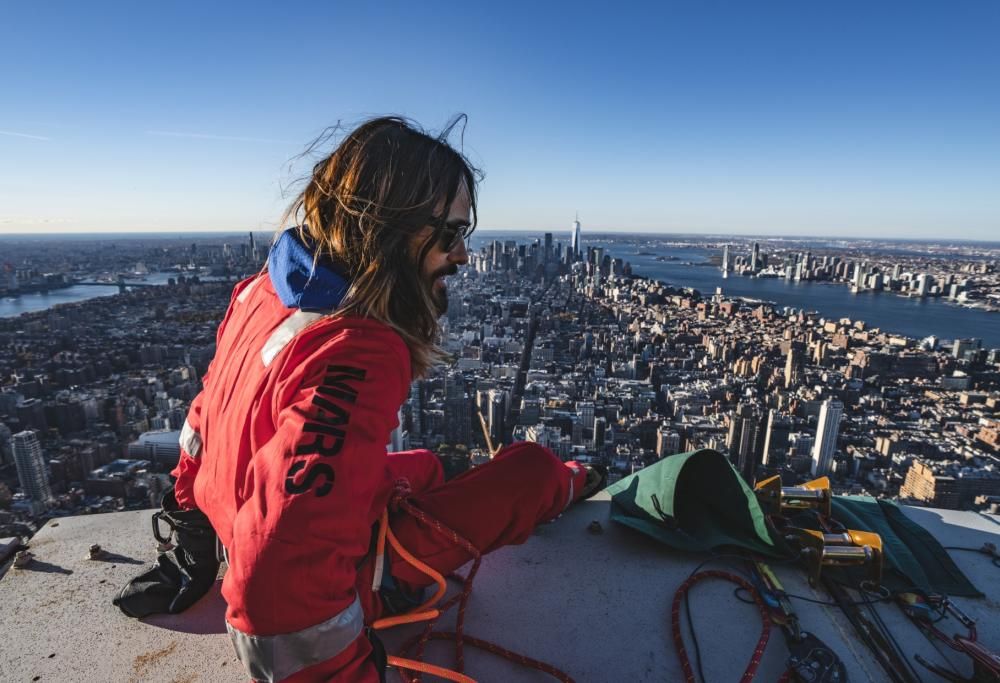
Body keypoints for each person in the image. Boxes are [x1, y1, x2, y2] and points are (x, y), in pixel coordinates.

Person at [115, 116, 604, 682]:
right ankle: (572, 479)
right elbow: (281, 568)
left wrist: (192, 542)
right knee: (530, 471)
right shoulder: (357, 348)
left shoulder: (263, 290)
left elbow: (202, 425)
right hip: (330, 574)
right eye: (449, 233)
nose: (463, 255)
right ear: (393, 229)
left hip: (231, 517)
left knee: (424, 466)